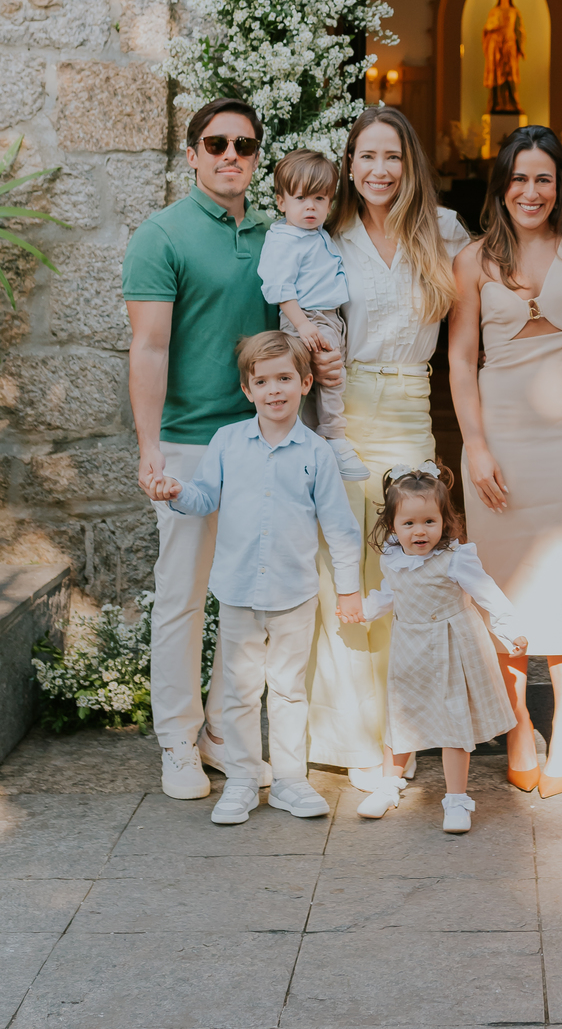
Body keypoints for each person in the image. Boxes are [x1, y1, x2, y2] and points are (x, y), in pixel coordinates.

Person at [122, 98, 294, 800]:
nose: (231, 155)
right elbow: (150, 347)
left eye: (244, 145)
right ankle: (176, 742)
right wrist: (149, 450)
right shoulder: (160, 235)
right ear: (191, 154)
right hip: (190, 445)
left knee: (248, 599)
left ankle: (222, 733)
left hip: (259, 443)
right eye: (216, 143)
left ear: (257, 157)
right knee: (183, 599)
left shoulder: (276, 236)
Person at [449, 125, 562, 797]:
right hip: (500, 438)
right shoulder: (473, 261)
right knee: (504, 587)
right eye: (519, 178)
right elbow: (462, 359)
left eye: (543, 178)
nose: (531, 190)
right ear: (502, 185)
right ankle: (521, 723)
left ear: (560, 185)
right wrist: (478, 446)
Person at [307, 105, 470, 790]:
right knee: (346, 573)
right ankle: (354, 740)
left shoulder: (446, 232)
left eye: (393, 157)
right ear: (350, 165)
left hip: (410, 412)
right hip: (343, 416)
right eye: (367, 157)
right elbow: (301, 320)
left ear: (410, 167)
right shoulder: (328, 237)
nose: (380, 170)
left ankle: (404, 731)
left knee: (404, 574)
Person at [150, 331, 364, 826]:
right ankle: (244, 780)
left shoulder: (316, 453)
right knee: (240, 690)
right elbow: (204, 498)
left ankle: (290, 780)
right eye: (262, 381)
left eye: (285, 378)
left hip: (294, 594)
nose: (274, 390)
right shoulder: (228, 442)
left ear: (306, 383)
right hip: (239, 592)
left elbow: (340, 527)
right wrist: (175, 491)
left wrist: (349, 588)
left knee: (288, 689)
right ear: (248, 390)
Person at [347, 460, 527, 831]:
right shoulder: (394, 559)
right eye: (408, 523)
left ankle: (457, 800)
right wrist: (365, 610)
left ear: (445, 521)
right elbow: (392, 595)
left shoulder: (456, 559)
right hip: (409, 648)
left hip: (451, 647)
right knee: (400, 714)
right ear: (393, 526)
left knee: (452, 722)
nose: (419, 531)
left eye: (429, 521)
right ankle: (389, 784)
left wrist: (509, 630)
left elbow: (487, 594)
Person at [259, 148, 368, 484]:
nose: (310, 206)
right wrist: (304, 325)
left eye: (320, 198)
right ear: (281, 202)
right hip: (307, 317)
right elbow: (279, 288)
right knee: (331, 376)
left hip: (327, 316)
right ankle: (334, 437)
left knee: (322, 379)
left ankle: (309, 443)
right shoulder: (284, 240)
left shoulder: (313, 232)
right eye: (301, 197)